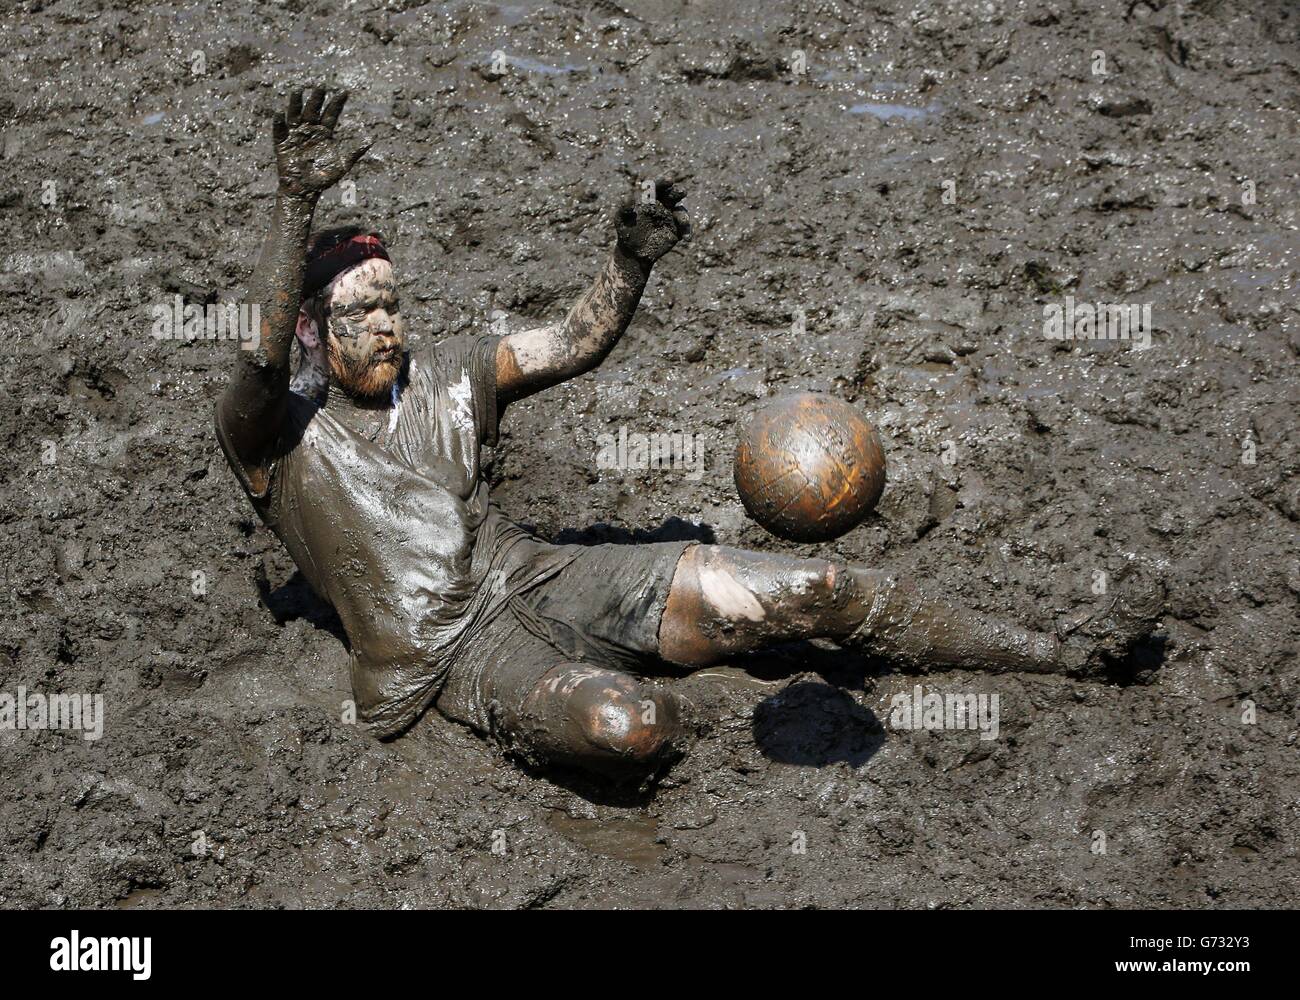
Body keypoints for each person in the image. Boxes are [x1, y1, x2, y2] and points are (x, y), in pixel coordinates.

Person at [216, 88, 1163, 778]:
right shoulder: (272, 434)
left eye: (393, 306)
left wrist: (628, 265)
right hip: (452, 652)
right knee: (629, 729)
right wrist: (294, 204)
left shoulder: (448, 373)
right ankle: (682, 689)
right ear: (309, 325)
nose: (388, 326)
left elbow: (569, 345)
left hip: (539, 573)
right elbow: (258, 363)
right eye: (361, 313)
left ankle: (1062, 651)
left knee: (819, 587)